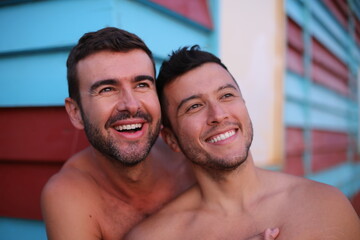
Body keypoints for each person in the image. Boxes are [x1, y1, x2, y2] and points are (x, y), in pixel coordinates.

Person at [125, 45, 360, 240]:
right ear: (171, 139)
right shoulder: (154, 236)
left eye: (227, 95)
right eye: (194, 106)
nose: (218, 114)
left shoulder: (324, 205)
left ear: (244, 104)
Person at [40, 27, 196, 240]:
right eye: (107, 89)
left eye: (142, 84)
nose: (131, 105)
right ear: (75, 113)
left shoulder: (189, 157)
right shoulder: (69, 195)